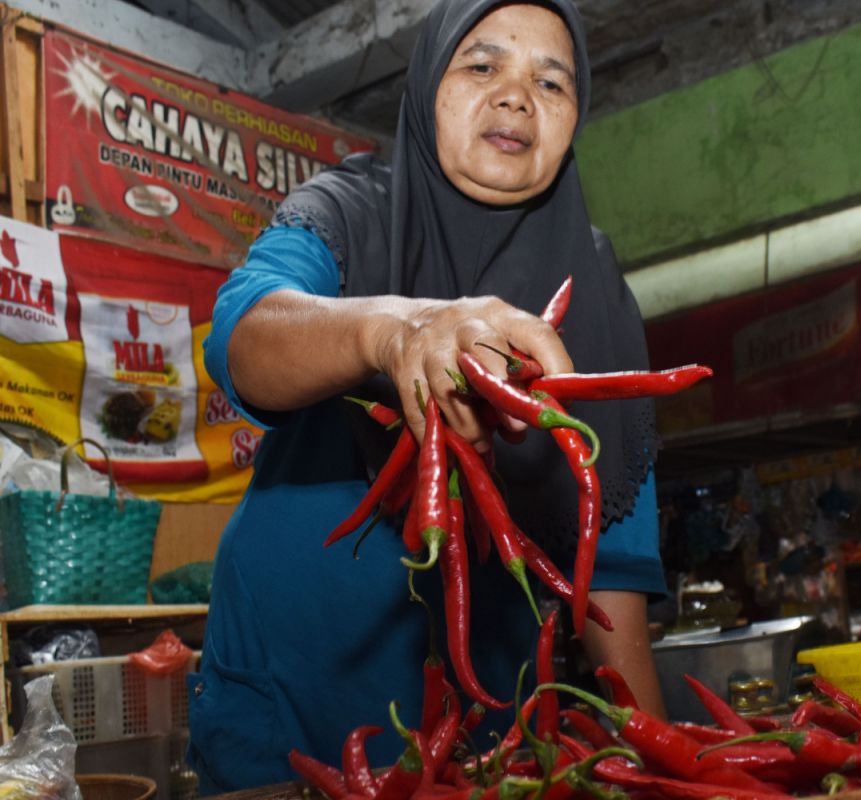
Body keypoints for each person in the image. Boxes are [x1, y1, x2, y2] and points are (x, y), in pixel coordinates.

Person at [187, 0, 668, 790]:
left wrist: (653, 756)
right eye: (482, 66)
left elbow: (611, 550)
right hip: (287, 704)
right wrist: (398, 330)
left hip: (486, 713)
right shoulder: (348, 211)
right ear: (424, 86)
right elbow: (242, 340)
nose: (516, 97)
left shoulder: (598, 294)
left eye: (553, 83)